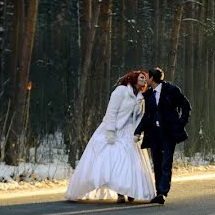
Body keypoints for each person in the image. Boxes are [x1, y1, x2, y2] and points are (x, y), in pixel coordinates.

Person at [65, 71, 155, 202]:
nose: (144, 80)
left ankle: (130, 190)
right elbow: (111, 112)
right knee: (114, 161)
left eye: (145, 79)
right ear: (134, 78)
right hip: (114, 129)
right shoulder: (121, 91)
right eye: (142, 77)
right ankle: (120, 193)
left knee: (131, 163)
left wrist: (138, 132)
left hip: (129, 132)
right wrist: (110, 131)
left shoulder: (141, 96)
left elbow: (140, 116)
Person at [135, 67, 191, 205]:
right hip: (154, 134)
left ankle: (162, 192)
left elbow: (186, 106)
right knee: (157, 163)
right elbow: (147, 115)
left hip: (168, 133)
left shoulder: (172, 90)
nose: (146, 79)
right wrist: (138, 130)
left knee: (166, 163)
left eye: (147, 77)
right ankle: (158, 191)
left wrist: (180, 123)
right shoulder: (148, 95)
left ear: (152, 78)